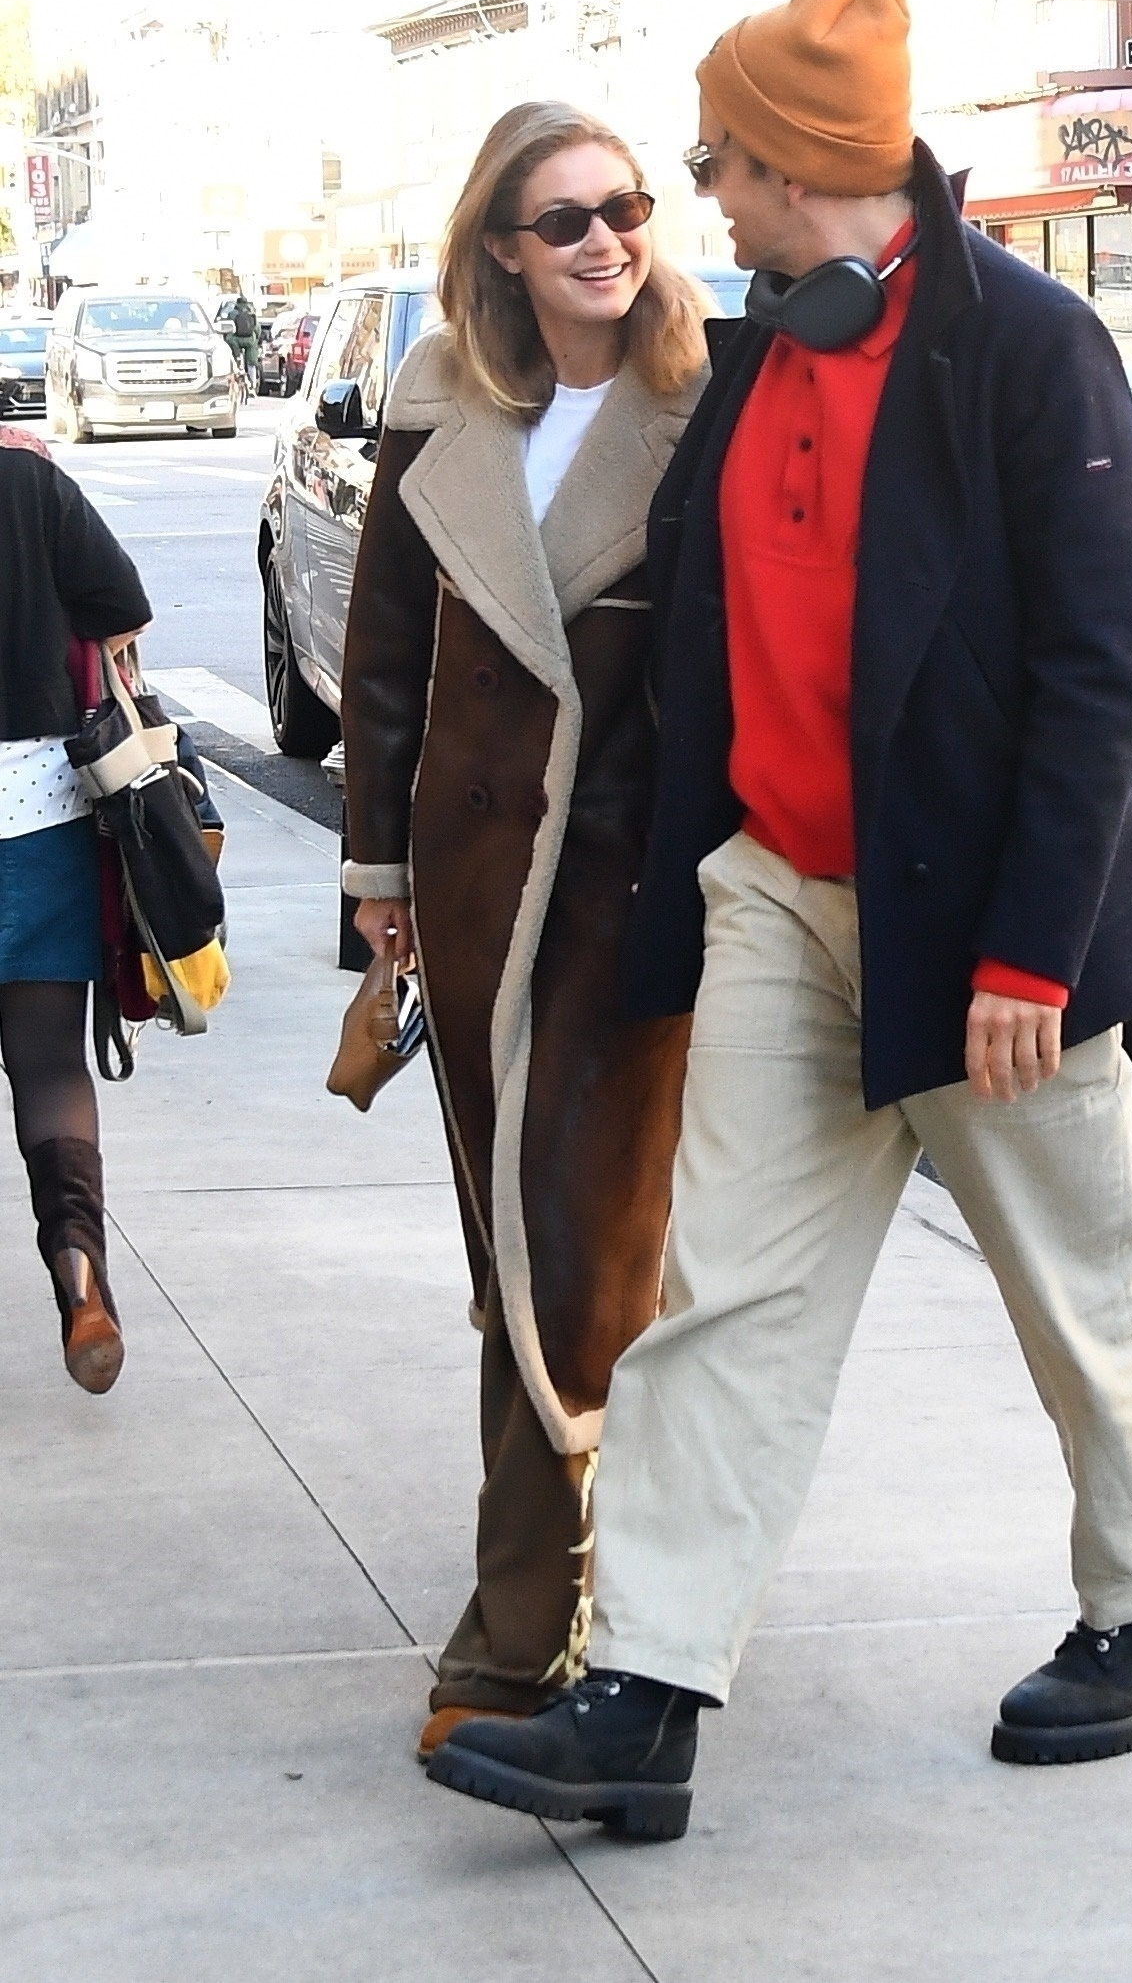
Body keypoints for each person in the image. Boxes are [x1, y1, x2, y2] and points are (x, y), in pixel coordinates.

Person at [425, 0, 1132, 1842]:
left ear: (797, 164)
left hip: (984, 926)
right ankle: (650, 1691)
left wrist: (1029, 944)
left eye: (714, 162)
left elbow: (1100, 669)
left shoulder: (1027, 349)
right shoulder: (768, 349)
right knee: (729, 1302)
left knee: (1073, 1290)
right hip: (783, 891)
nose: (699, 195)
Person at [339, 100, 709, 1760]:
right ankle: (600, 1607)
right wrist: (381, 900)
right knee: (517, 1255)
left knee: (584, 1262)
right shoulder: (439, 417)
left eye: (623, 207)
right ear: (501, 247)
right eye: (562, 220)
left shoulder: (702, 408)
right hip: (483, 906)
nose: (603, 241)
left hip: (635, 910)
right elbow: (383, 675)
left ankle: (522, 1635)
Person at [0, 423, 151, 1392]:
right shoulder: (27, 477)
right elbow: (122, 607)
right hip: (35, 811)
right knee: (50, 1063)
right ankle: (81, 1281)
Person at [226, 295, 259, 394]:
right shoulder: (252, 313)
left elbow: (229, 329)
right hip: (250, 340)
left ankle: (238, 367)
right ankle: (252, 385)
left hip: (236, 340)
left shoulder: (232, 313)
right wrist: (256, 339)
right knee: (251, 363)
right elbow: (257, 329)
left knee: (235, 357)